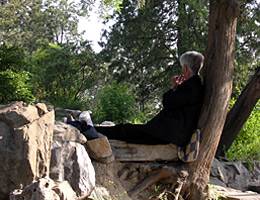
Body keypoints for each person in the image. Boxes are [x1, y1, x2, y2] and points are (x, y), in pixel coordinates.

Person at [68, 51, 205, 147]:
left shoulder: (191, 87)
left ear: (186, 69)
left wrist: (174, 87)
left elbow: (168, 102)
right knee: (125, 129)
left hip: (167, 134)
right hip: (165, 131)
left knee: (125, 131)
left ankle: (86, 129)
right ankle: (86, 127)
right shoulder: (194, 85)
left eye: (182, 68)